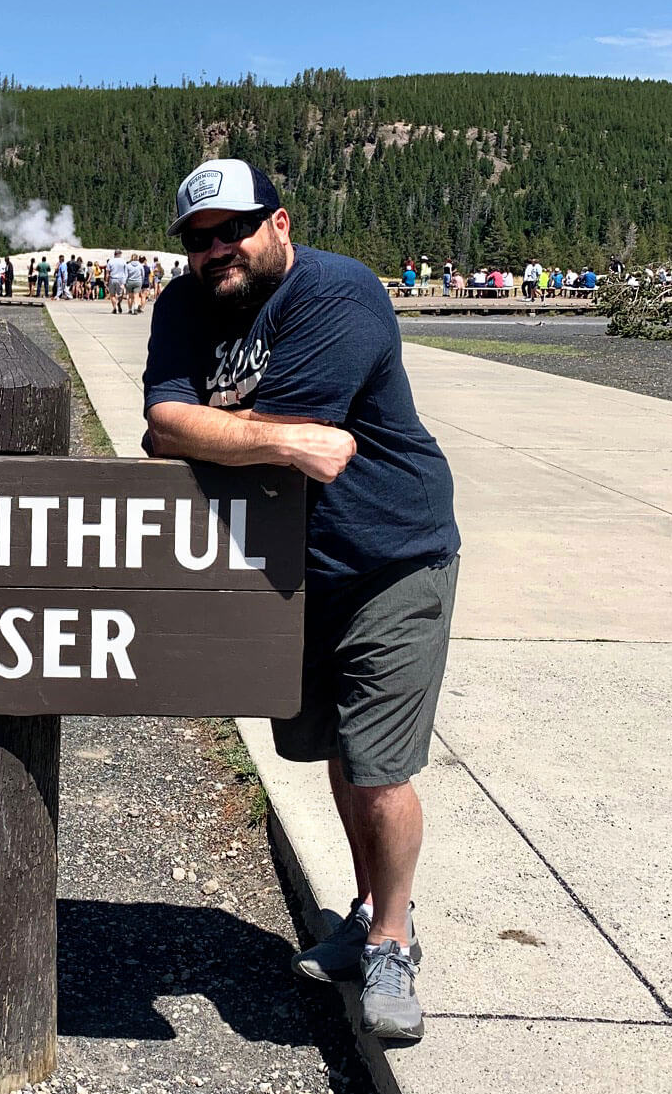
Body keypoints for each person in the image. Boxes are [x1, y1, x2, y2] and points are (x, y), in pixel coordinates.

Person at [143, 158, 460, 1046]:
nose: (216, 251)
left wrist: (218, 430)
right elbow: (174, 426)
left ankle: (394, 938)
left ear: (280, 224)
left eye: (233, 229)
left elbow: (252, 427)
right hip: (295, 571)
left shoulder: (339, 295)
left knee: (379, 762)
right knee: (332, 747)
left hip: (390, 556)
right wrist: (258, 439)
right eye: (198, 239)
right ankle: (364, 910)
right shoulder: (180, 305)